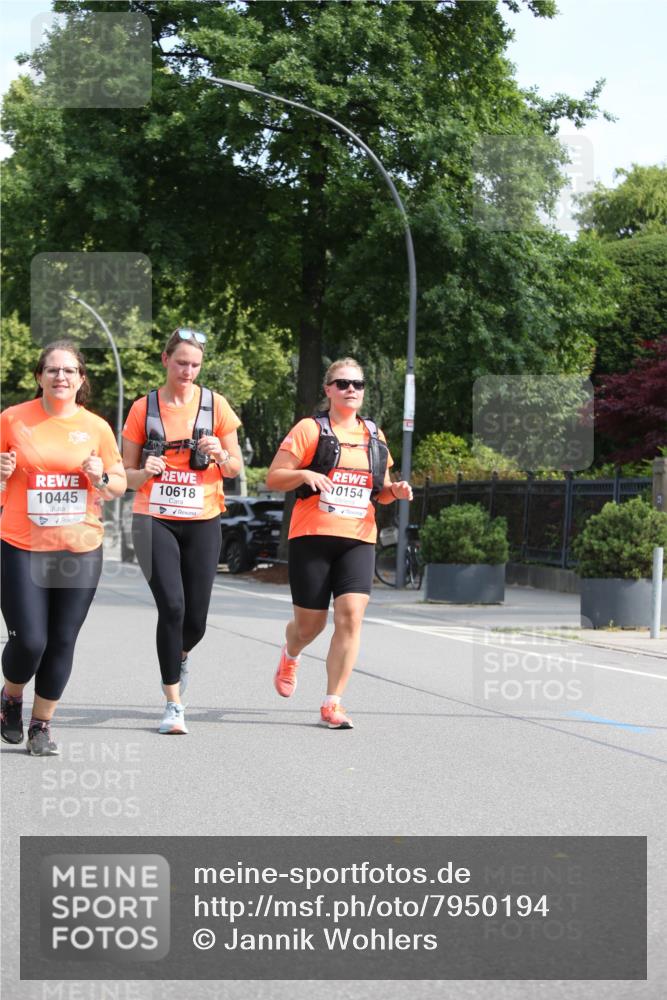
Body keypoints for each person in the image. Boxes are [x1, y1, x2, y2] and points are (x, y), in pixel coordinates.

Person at [266, 357, 412, 729]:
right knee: (309, 627)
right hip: (312, 536)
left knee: (350, 617)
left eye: (358, 384)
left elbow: (378, 491)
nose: (351, 390)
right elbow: (274, 477)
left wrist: (395, 490)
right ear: (328, 389)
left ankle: (333, 703)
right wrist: (304, 473)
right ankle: (291, 652)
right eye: (343, 383)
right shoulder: (309, 430)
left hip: (358, 539)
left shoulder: (374, 436)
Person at [0, 340, 126, 756]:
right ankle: (11, 697)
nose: (60, 377)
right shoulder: (12, 419)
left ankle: (41, 726)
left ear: (81, 380)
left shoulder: (96, 428)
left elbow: (119, 484)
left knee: (62, 639)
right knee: (30, 640)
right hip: (22, 545)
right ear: (39, 377)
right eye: (52, 370)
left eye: (69, 371)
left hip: (79, 549)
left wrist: (100, 477)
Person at [122, 327, 242, 735]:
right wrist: (144, 471)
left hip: (203, 517)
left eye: (194, 364)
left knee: (196, 620)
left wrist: (220, 453)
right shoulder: (143, 408)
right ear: (165, 360)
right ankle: (173, 703)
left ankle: (181, 655)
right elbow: (125, 475)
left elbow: (235, 467)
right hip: (153, 517)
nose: (188, 371)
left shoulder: (215, 405)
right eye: (181, 363)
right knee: (171, 607)